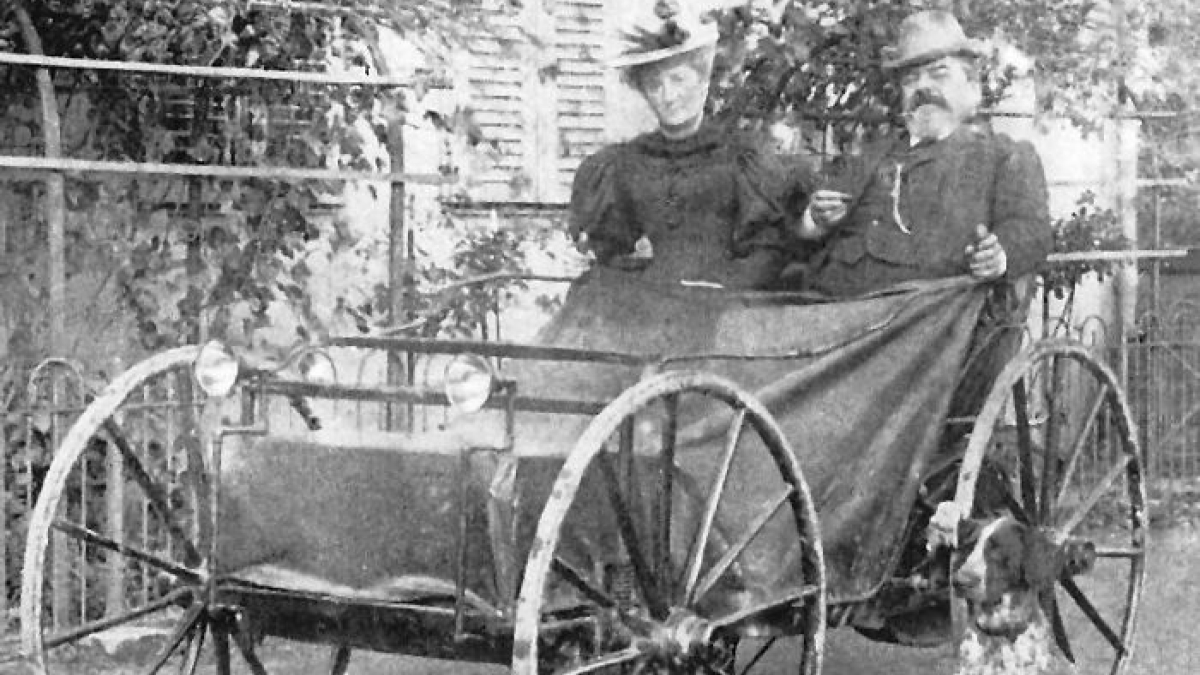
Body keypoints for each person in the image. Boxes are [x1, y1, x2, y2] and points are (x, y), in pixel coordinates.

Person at [792, 10, 1053, 298]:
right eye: (911, 79)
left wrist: (998, 255)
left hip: (924, 323)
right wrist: (815, 220)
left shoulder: (1004, 156)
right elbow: (804, 238)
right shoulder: (873, 152)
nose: (923, 87)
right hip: (830, 310)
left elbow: (1031, 231)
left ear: (972, 87)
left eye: (939, 74)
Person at [569, 0, 808, 290]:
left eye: (678, 79)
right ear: (644, 92)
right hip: (645, 305)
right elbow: (612, 252)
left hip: (722, 307)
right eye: (655, 85)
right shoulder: (625, 163)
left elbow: (767, 251)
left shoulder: (740, 158)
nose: (668, 96)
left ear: (702, 81)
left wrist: (723, 285)